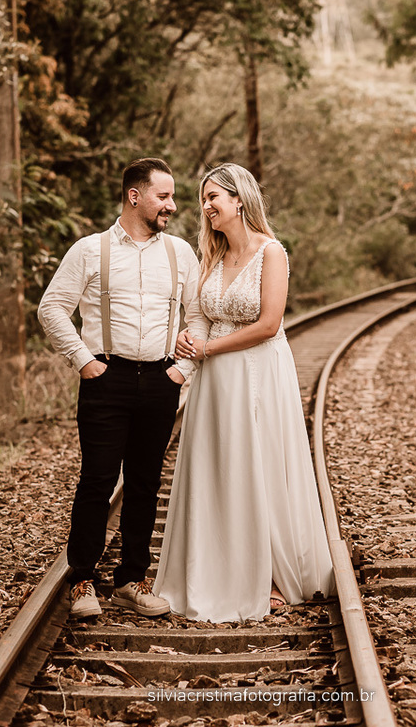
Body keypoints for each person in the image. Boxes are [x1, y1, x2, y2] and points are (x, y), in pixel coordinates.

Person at [155, 163, 335, 622]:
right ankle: (216, 570)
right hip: (216, 379)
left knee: (260, 464)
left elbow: (269, 324)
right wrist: (186, 341)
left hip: (258, 371)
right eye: (204, 199)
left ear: (240, 200)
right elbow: (201, 315)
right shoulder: (211, 255)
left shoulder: (270, 252)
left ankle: (271, 575)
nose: (207, 206)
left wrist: (209, 347)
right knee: (221, 468)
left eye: (213, 197)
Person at [38, 158, 208, 618]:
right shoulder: (90, 250)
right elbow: (52, 308)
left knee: (144, 484)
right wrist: (84, 360)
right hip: (106, 378)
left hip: (160, 379)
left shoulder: (180, 253)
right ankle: (83, 581)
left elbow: (198, 317)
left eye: (172, 197)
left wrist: (182, 371)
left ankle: (132, 581)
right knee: (96, 480)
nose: (172, 205)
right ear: (136, 196)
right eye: (164, 196)